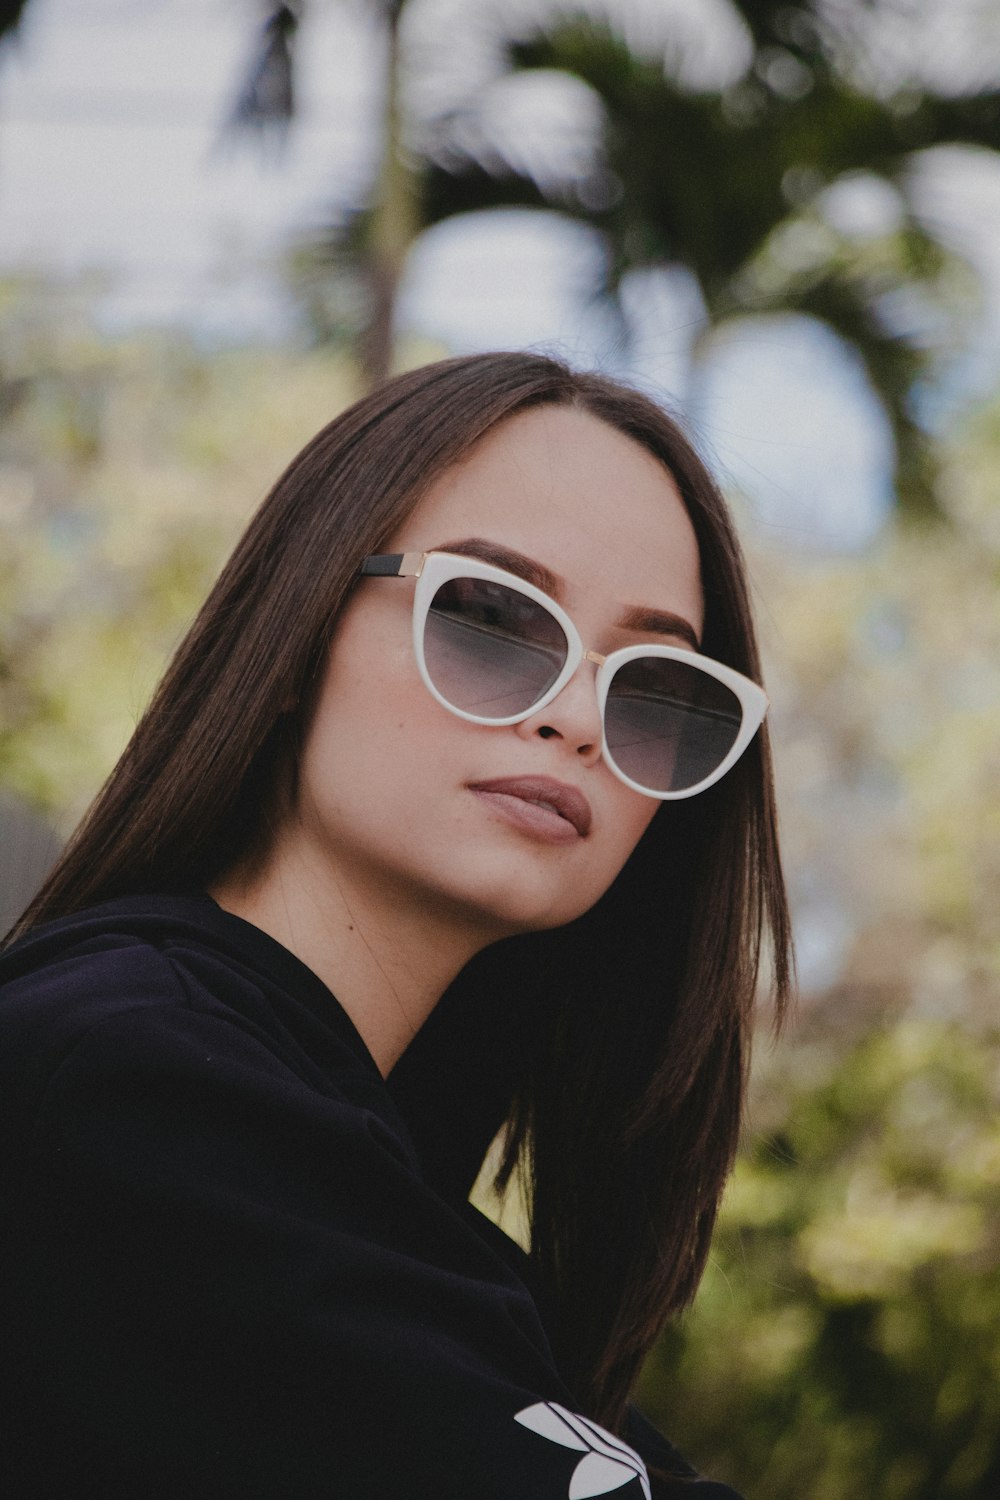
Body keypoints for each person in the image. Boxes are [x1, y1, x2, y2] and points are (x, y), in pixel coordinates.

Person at [0, 352, 792, 1499]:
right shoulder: (120, 1077)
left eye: (653, 687)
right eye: (491, 616)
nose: (575, 717)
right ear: (297, 633)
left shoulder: (395, 1224)